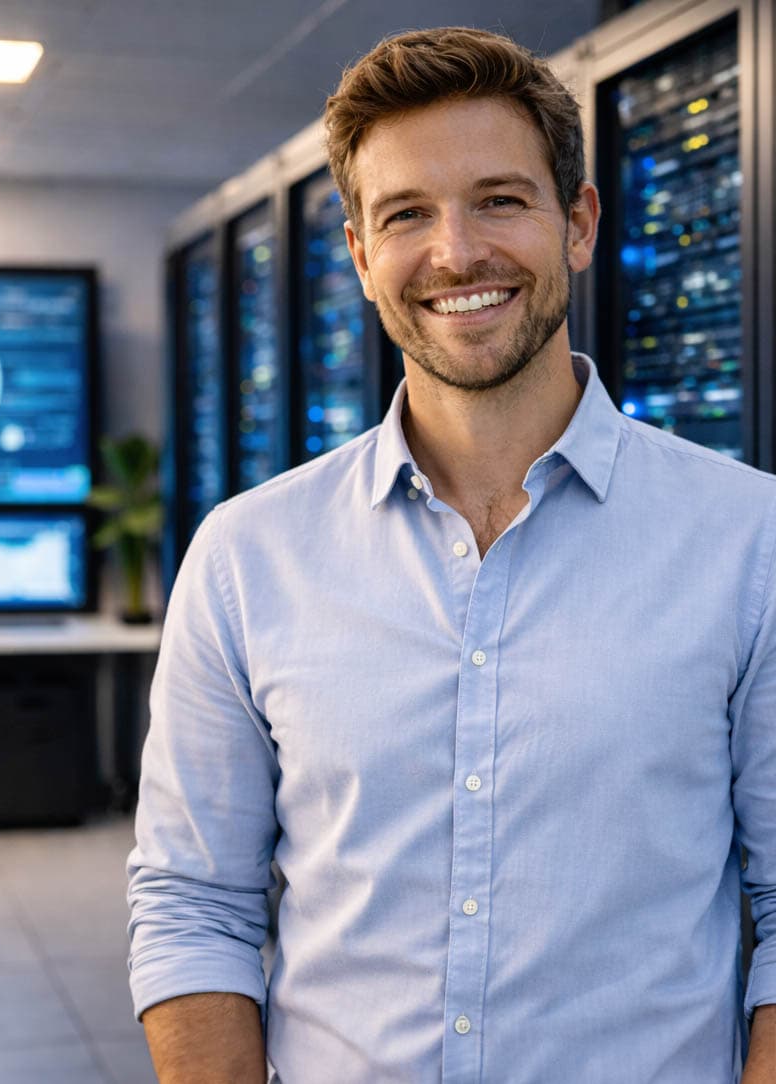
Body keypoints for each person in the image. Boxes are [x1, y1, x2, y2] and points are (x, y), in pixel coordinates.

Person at [127, 26, 776, 1083]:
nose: (456, 252)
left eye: (500, 201)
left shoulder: (752, 543)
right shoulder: (248, 557)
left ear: (578, 222)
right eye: (407, 216)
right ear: (359, 255)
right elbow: (192, 903)